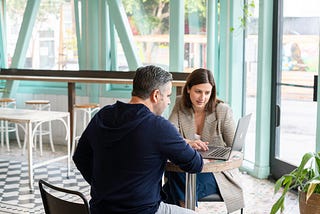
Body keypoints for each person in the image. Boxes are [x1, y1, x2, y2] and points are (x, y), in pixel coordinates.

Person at [73, 65, 203, 214]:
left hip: (101, 209)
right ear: (155, 95)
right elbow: (195, 164)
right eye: (167, 95)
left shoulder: (103, 115)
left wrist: (105, 189)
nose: (168, 102)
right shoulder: (158, 126)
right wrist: (182, 143)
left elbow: (80, 157)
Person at [162, 68, 244, 213]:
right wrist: (188, 142)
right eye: (198, 91)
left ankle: (186, 209)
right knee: (177, 177)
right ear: (188, 89)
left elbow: (235, 148)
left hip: (215, 173)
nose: (202, 97)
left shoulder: (222, 110)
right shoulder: (180, 104)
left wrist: (216, 159)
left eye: (207, 92)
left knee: (168, 188)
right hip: (187, 169)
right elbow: (170, 135)